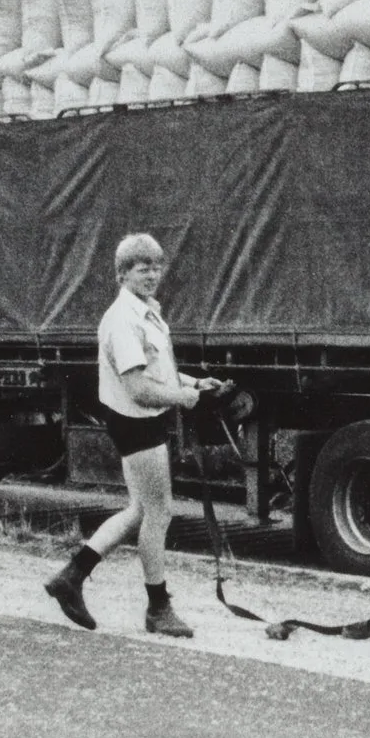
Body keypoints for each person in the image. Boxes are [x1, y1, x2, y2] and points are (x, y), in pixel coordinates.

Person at [44, 235, 224, 638]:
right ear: (122, 273)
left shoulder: (146, 313)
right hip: (137, 420)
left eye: (157, 267)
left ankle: (71, 577)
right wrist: (187, 398)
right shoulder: (123, 319)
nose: (152, 275)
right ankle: (158, 608)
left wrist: (196, 381)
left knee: (140, 511)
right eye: (143, 268)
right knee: (158, 512)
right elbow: (139, 388)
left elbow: (156, 370)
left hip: (142, 418)